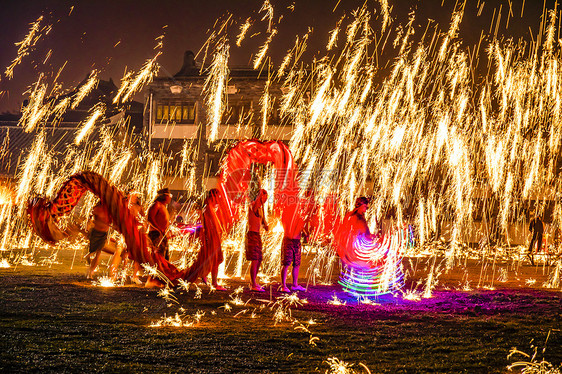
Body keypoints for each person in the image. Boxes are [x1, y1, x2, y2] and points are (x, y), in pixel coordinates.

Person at [280, 193, 314, 293]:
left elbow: (302, 228)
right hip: (289, 241)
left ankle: (295, 284)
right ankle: (283, 285)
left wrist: (306, 232)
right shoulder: (287, 214)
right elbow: (289, 227)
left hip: (297, 242)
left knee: (297, 264)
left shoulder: (299, 216)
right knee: (286, 263)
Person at [246, 189, 269, 291]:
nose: (266, 200)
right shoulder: (253, 204)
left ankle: (253, 282)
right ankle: (253, 283)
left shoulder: (260, 208)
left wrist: (266, 225)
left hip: (257, 234)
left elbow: (263, 222)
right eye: (265, 197)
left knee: (259, 259)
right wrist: (260, 195)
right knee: (255, 259)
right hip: (252, 234)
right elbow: (254, 209)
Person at [86, 201, 116, 279]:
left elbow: (113, 221)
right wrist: (88, 226)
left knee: (97, 254)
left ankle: (90, 273)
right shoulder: (97, 209)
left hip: (104, 234)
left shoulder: (110, 211)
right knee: (93, 253)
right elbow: (89, 217)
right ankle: (89, 265)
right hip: (96, 233)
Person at [147, 188, 172, 261]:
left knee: (164, 256)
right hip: (156, 235)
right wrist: (159, 229)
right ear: (164, 196)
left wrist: (167, 231)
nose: (170, 197)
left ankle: (163, 270)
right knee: (157, 256)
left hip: (162, 234)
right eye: (169, 195)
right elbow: (150, 218)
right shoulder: (156, 204)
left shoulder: (163, 206)